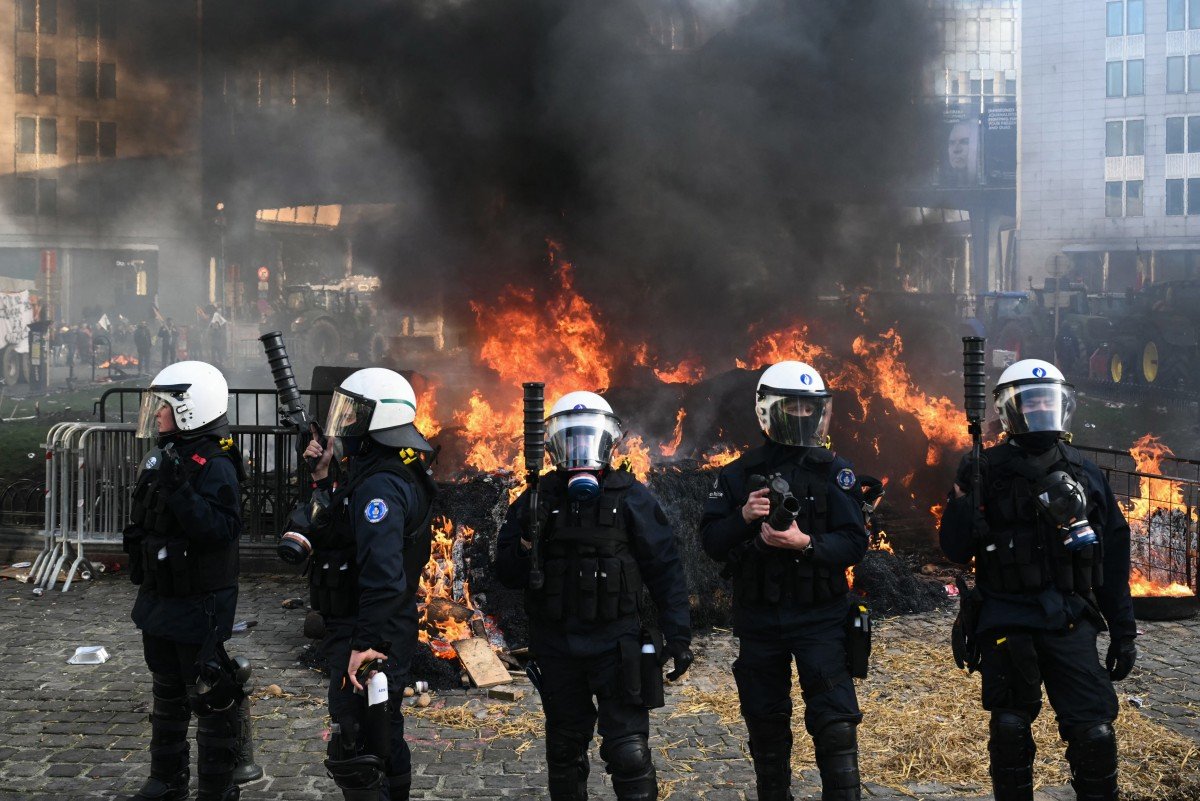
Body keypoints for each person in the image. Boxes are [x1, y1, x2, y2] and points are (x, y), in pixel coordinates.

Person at [939, 359, 1136, 801]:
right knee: (1009, 729)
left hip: (1070, 618)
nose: (1041, 409)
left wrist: (1123, 632)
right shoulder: (982, 469)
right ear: (1011, 411)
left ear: (1063, 405)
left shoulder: (1086, 473)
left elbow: (1113, 560)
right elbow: (953, 548)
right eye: (1031, 402)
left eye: (1049, 400)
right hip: (1008, 619)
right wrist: (963, 502)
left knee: (1095, 734)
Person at [495, 391, 692, 801]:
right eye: (571, 438)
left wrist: (679, 635)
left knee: (629, 753)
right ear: (553, 446)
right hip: (557, 646)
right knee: (565, 751)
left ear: (607, 441)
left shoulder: (631, 497)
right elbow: (507, 575)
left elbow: (665, 568)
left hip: (616, 645)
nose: (580, 448)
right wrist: (527, 542)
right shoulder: (536, 498)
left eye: (588, 437)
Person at [699, 361, 869, 801]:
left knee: (835, 727)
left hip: (820, 618)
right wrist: (743, 517)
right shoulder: (737, 475)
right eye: (789, 406)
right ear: (768, 410)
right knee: (767, 730)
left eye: (807, 407)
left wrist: (805, 543)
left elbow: (854, 543)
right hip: (759, 619)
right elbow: (712, 543)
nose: (799, 415)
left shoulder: (835, 471)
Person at [296, 368, 438, 801]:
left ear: (379, 422)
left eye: (355, 415)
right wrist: (322, 477)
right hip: (373, 625)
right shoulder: (379, 472)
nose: (345, 425)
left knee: (356, 743)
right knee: (384, 733)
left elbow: (382, 575)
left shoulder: (381, 486)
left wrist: (365, 644)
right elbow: (342, 532)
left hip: (371, 628)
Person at [121, 361, 255, 801]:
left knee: (209, 692)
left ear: (190, 409)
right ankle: (166, 778)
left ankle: (216, 788)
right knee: (166, 689)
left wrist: (181, 490)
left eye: (164, 406)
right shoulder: (166, 453)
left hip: (200, 599)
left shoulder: (213, 463)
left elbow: (220, 531)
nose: (157, 414)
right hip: (161, 595)